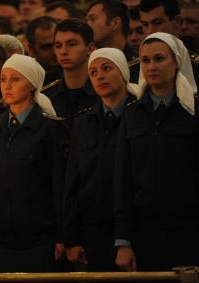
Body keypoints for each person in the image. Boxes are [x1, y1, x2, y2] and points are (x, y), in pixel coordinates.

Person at [113, 32, 199, 272]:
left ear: (177, 61)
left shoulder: (193, 112)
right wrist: (123, 241)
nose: (151, 66)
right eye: (145, 60)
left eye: (159, 58)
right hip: (144, 234)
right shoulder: (132, 115)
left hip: (190, 233)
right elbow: (123, 181)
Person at [0, 54, 68, 272]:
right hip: (0, 240)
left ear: (31, 85)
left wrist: (62, 236)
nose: (7, 86)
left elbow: (60, 187)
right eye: (3, 79)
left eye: (15, 79)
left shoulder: (50, 129)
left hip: (40, 238)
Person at [64, 48, 138, 272]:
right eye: (94, 72)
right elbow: (72, 182)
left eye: (107, 69)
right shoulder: (84, 121)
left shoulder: (139, 115)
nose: (100, 76)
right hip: (92, 230)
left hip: (134, 229)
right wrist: (71, 237)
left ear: (123, 73)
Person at [45, 19, 97, 128]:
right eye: (58, 45)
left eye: (71, 44)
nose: (63, 51)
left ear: (90, 48)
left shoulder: (102, 91)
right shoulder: (46, 98)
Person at [86, 0, 140, 82]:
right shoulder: (87, 64)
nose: (87, 25)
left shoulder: (139, 65)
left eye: (93, 19)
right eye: (87, 20)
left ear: (115, 23)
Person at [26, 16, 62, 87]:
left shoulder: (76, 74)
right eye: (46, 47)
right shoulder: (25, 80)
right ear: (31, 49)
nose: (54, 52)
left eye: (58, 45)